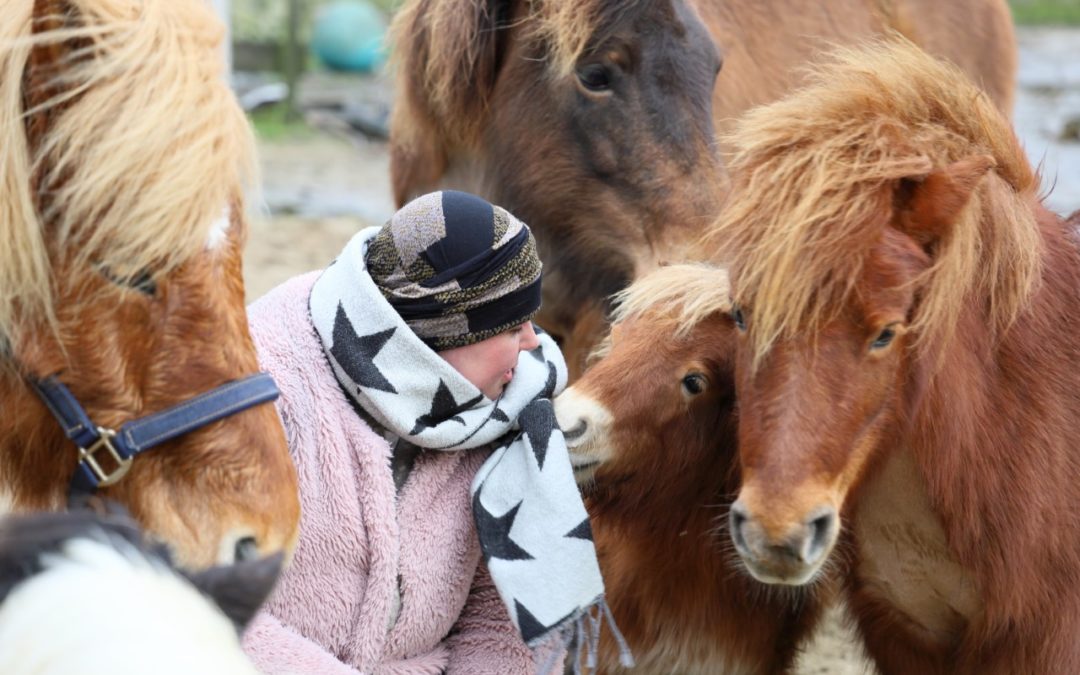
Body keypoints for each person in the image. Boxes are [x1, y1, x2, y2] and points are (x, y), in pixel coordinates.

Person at [242, 191, 612, 674]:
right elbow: (203, 597)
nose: (532, 342)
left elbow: (501, 622)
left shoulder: (512, 408)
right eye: (510, 324)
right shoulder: (262, 386)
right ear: (441, 334)